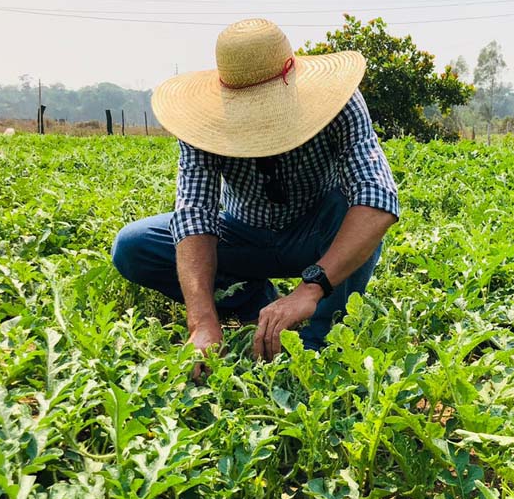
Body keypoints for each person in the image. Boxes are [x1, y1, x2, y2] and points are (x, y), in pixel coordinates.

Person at [111, 19, 399, 367]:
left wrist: (311, 287)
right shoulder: (201, 124)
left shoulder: (340, 103)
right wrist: (201, 321)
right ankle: (254, 303)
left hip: (317, 236)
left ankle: (320, 340)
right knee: (135, 246)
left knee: (353, 212)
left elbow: (378, 197)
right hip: (242, 233)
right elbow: (194, 215)